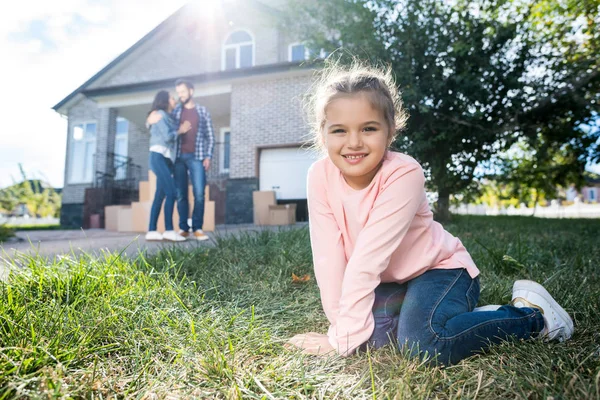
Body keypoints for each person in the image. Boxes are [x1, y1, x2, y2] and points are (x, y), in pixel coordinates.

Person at [286, 62, 574, 365]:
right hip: (392, 280)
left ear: (390, 130)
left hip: (440, 271)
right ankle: (462, 318)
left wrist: (341, 340)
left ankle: (533, 316)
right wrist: (341, 329)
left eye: (368, 128)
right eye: (339, 130)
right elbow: (329, 259)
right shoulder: (319, 175)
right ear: (323, 134)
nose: (354, 142)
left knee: (424, 344)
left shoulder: (403, 173)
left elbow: (367, 260)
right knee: (372, 337)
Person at [145, 90, 190, 242]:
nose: (174, 99)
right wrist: (181, 131)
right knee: (171, 192)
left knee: (160, 195)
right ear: (165, 100)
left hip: (165, 159)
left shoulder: (168, 116)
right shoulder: (161, 115)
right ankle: (169, 230)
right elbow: (167, 137)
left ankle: (152, 230)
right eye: (172, 98)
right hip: (157, 156)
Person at [172, 79, 215, 241]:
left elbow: (210, 136)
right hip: (178, 158)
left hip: (197, 157)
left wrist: (208, 156)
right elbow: (166, 131)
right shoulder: (175, 112)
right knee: (181, 194)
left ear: (191, 91)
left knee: (199, 193)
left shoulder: (202, 111)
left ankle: (197, 228)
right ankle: (184, 228)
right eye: (178, 93)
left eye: (183, 92)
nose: (180, 95)